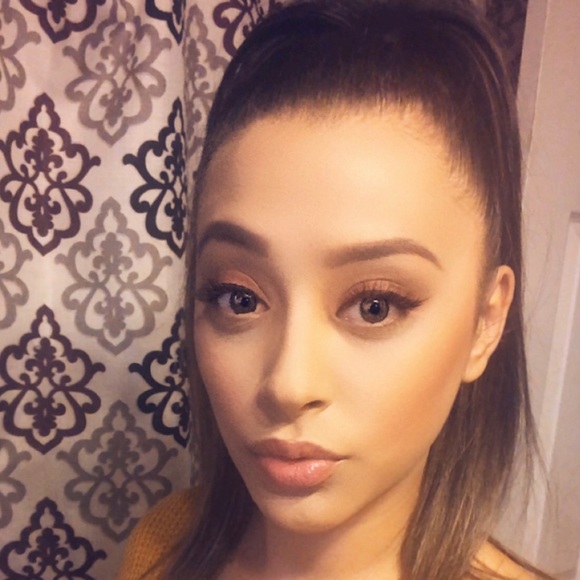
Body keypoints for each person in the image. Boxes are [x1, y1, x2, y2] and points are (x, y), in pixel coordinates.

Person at [118, 0, 550, 578]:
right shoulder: (165, 548)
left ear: (486, 321)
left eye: (375, 306)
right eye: (239, 298)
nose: (288, 385)